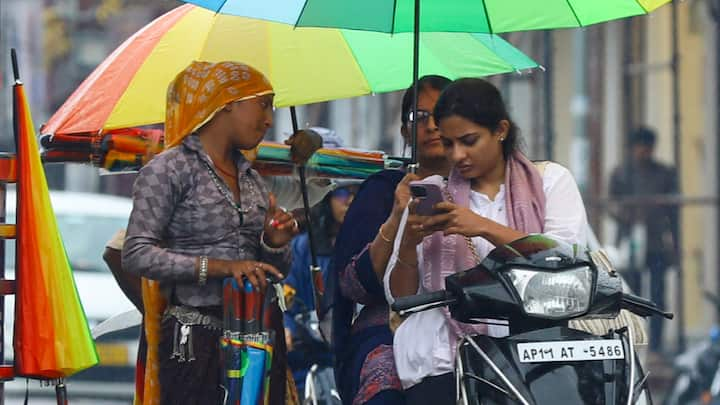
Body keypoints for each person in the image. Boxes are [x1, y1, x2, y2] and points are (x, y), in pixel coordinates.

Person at [384, 78, 589, 404]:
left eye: (469, 141)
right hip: (443, 365)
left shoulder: (550, 182)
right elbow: (400, 295)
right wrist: (408, 240)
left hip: (532, 359)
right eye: (449, 144)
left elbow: (567, 261)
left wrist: (482, 227)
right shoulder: (435, 191)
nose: (458, 155)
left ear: (501, 130)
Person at [122, 61, 298, 404]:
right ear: (227, 102)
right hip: (193, 339)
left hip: (258, 336)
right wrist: (219, 267)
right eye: (263, 104)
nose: (269, 119)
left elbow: (278, 270)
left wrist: (273, 244)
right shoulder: (169, 169)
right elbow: (135, 253)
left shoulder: (253, 179)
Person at [332, 75, 452, 405]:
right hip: (391, 327)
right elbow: (353, 286)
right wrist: (397, 214)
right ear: (404, 131)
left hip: (466, 325)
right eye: (419, 117)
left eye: (440, 115)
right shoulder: (382, 189)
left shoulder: (480, 190)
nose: (431, 126)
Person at [284, 181, 358, 400]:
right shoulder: (302, 247)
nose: (350, 200)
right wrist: (286, 328)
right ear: (326, 196)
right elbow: (286, 298)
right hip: (307, 360)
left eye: (357, 192)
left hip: (353, 357)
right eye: (342, 192)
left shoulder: (374, 245)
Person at [609, 126, 678, 353]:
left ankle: (655, 347)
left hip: (656, 243)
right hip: (630, 242)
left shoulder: (664, 174)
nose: (643, 152)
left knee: (657, 297)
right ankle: (634, 341)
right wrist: (628, 216)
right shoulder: (621, 174)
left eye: (647, 148)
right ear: (633, 148)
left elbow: (673, 213)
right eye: (640, 147)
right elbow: (612, 205)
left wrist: (673, 245)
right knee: (632, 296)